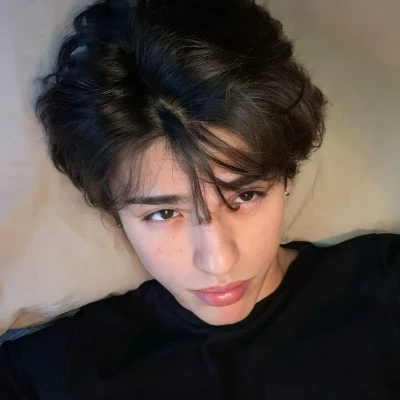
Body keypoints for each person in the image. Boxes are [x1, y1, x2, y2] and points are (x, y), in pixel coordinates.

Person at [0, 0, 399, 398]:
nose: (218, 262)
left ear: (287, 176)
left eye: (246, 195)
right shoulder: (59, 368)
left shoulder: (385, 285)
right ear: (115, 212)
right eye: (163, 213)